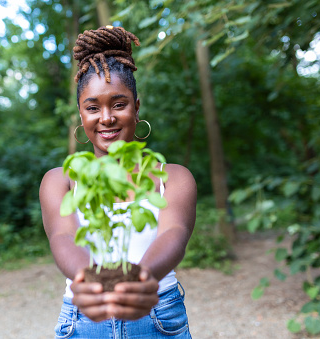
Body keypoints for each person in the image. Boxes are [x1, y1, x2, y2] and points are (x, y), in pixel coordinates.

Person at [40, 25, 197, 338]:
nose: (106, 118)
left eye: (119, 104)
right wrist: (89, 280)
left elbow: (174, 232)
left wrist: (140, 278)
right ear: (80, 114)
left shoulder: (173, 177)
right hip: (83, 320)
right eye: (93, 107)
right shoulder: (60, 181)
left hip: (158, 317)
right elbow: (63, 237)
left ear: (136, 108)